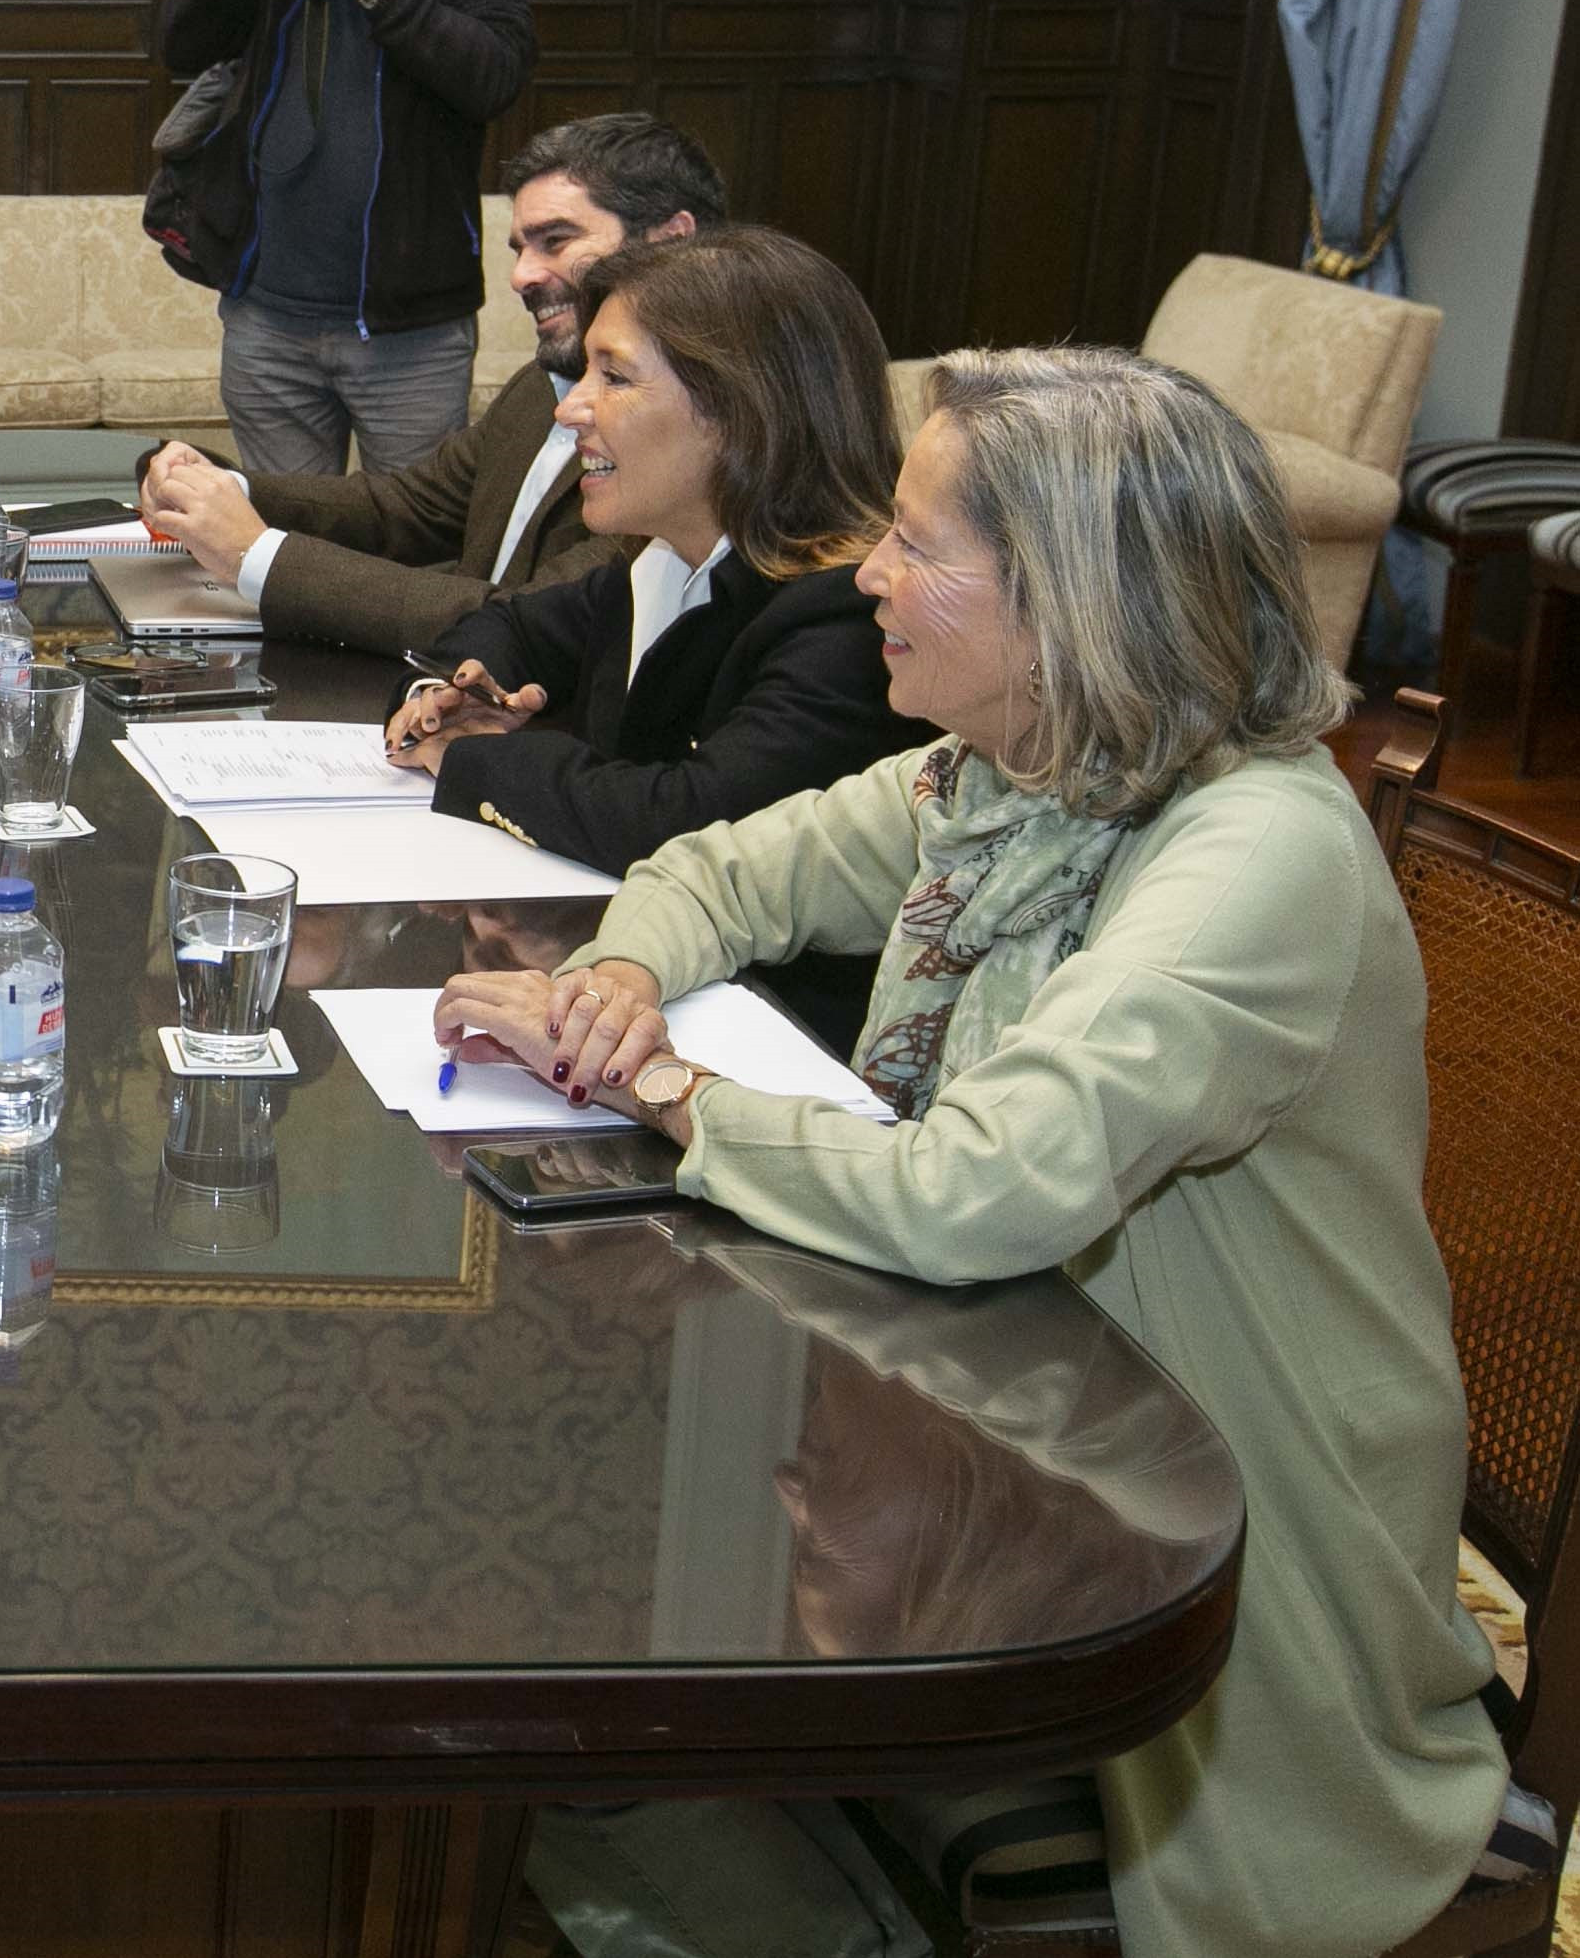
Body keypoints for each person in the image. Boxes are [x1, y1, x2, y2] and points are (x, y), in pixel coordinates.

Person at [433, 346, 1528, 1958]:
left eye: (921, 545)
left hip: (1228, 1520)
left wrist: (665, 1087)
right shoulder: (1014, 768)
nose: (867, 570)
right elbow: (725, 867)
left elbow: (977, 1185)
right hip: (1025, 1412)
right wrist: (616, 977)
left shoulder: (1255, 851)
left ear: (1078, 600)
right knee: (610, 1626)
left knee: (608, 1699)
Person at [380, 227, 922, 1048]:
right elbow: (507, 627)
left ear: (741, 412)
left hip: (778, 1044)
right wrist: (445, 698)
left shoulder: (848, 615)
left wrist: (470, 756)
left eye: (616, 377)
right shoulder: (668, 560)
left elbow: (685, 826)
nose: (570, 408)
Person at [138, 113, 721, 652]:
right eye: (520, 249)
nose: (521, 277)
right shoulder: (539, 387)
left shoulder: (704, 429)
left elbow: (530, 618)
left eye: (557, 242)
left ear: (669, 240)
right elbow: (409, 508)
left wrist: (254, 552)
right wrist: (221, 488)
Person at [158, 0, 533, 480]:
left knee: (414, 552)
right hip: (268, 315)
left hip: (411, 328)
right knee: (281, 550)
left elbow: (493, 76)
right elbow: (179, 48)